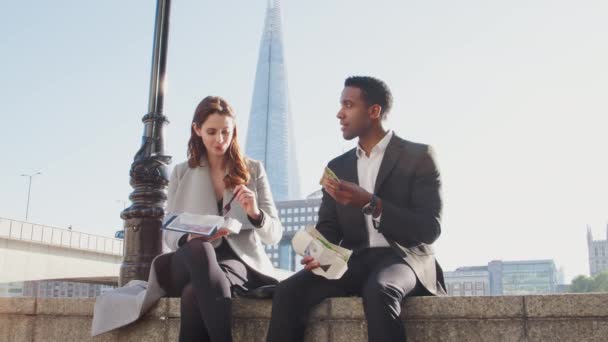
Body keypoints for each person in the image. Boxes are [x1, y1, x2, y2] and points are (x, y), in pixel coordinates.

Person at [266, 76, 446, 342]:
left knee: (380, 290)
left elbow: (429, 228)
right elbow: (329, 227)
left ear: (374, 111)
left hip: (405, 258)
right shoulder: (337, 166)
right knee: (287, 291)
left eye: (348, 105)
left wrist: (371, 203)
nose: (340, 113)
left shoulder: (419, 156)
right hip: (354, 260)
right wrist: (318, 251)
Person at [162, 96, 284, 342]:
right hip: (189, 258)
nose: (220, 139)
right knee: (199, 247)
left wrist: (255, 213)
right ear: (197, 130)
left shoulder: (253, 170)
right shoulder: (181, 172)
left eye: (226, 132)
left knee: (194, 293)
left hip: (236, 262)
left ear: (234, 130)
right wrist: (189, 235)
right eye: (211, 132)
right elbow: (169, 233)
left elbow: (274, 235)